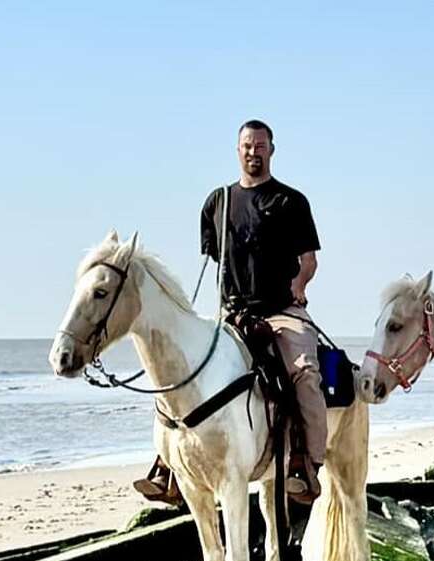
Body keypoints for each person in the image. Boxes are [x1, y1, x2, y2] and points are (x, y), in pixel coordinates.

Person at [134, 119, 326, 505]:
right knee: (184, 371)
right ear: (237, 150)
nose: (252, 152)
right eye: (246, 146)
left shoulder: (291, 202)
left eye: (259, 146)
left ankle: (305, 465)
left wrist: (298, 288)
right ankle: (168, 465)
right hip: (232, 315)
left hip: (281, 312)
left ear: (271, 149)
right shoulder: (217, 202)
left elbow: (309, 261)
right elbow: (216, 260)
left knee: (304, 373)